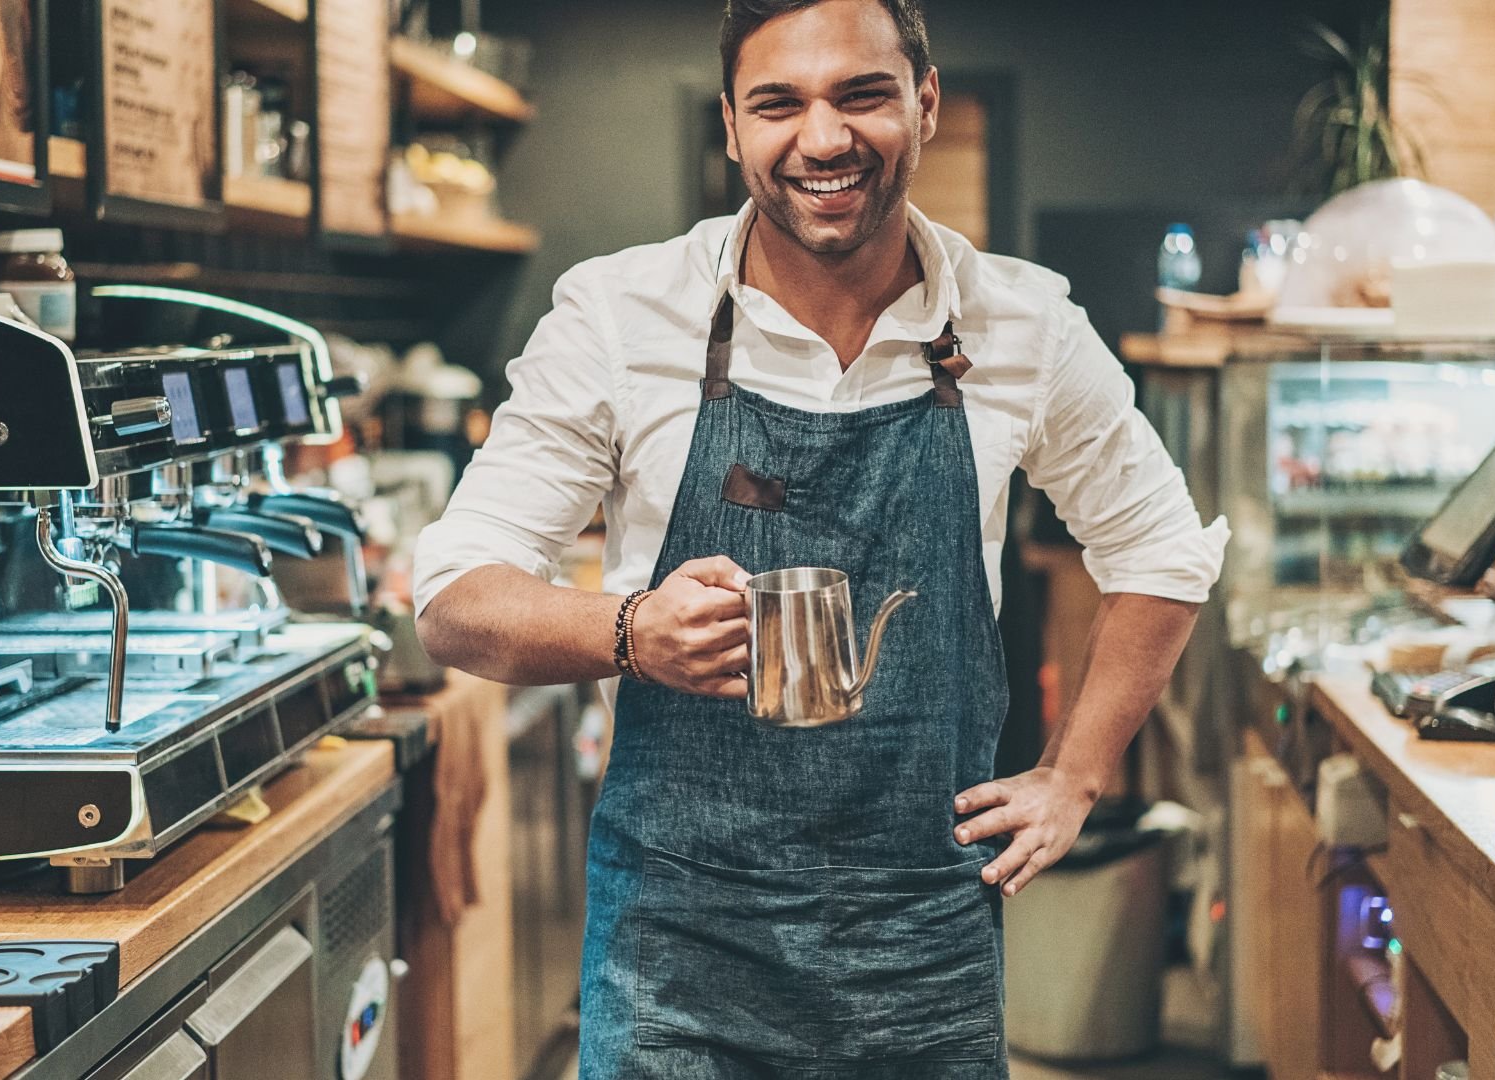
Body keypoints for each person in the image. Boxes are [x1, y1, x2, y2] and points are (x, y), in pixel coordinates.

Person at [413, 0, 1228, 1074]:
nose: (824, 138)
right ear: (732, 125)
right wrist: (629, 630)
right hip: (678, 948)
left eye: (862, 94)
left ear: (924, 104)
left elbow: (1162, 548)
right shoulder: (621, 315)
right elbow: (454, 596)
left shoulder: (1019, 325)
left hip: (921, 942)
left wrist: (1074, 777)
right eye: (778, 103)